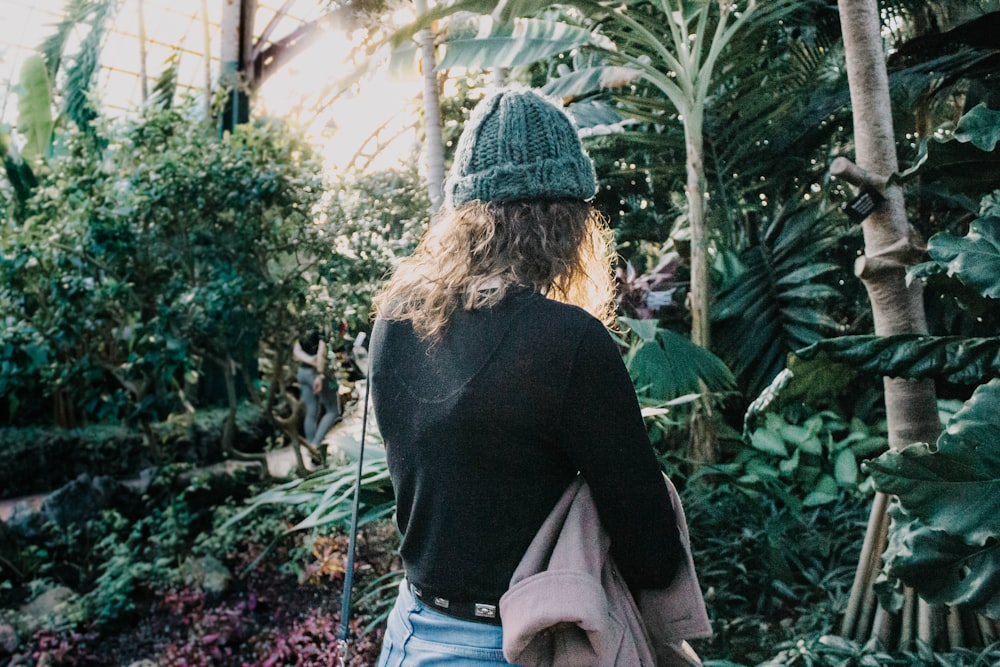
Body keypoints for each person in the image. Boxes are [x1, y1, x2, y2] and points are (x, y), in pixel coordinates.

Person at [368, 88, 683, 666]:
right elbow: (654, 555)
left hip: (410, 636)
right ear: (570, 221)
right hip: (516, 649)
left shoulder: (394, 322)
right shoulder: (570, 343)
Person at [293, 328, 340, 449]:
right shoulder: (320, 328)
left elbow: (296, 351)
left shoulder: (302, 329)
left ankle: (311, 445)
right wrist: (320, 374)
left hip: (302, 372)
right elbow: (321, 352)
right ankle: (315, 444)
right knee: (333, 410)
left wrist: (309, 360)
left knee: (312, 411)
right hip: (316, 374)